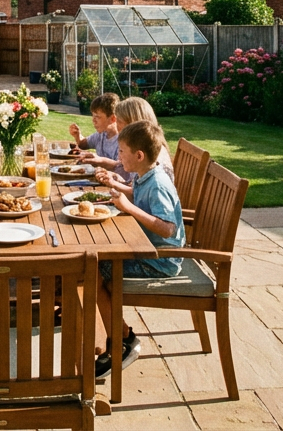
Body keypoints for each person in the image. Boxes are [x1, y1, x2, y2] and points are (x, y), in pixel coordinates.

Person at [94, 120, 184, 379]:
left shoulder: (158, 184)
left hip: (160, 260)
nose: (118, 155)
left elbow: (168, 228)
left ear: (139, 155)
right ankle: (123, 336)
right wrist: (118, 190)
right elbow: (135, 193)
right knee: (98, 270)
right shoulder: (147, 175)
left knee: (96, 273)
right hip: (145, 251)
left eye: (121, 151)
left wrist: (128, 207)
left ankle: (120, 344)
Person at [89, 96, 173, 186]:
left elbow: (141, 194)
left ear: (134, 124)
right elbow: (134, 186)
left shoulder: (153, 157)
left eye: (119, 121)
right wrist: (117, 179)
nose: (116, 126)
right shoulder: (141, 146)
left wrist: (116, 184)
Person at [69, 92, 120, 162]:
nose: (93, 120)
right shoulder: (101, 135)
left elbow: (121, 168)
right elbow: (83, 144)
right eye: (93, 116)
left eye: (97, 117)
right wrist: (77, 135)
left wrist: (98, 160)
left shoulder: (122, 142)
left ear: (113, 119)